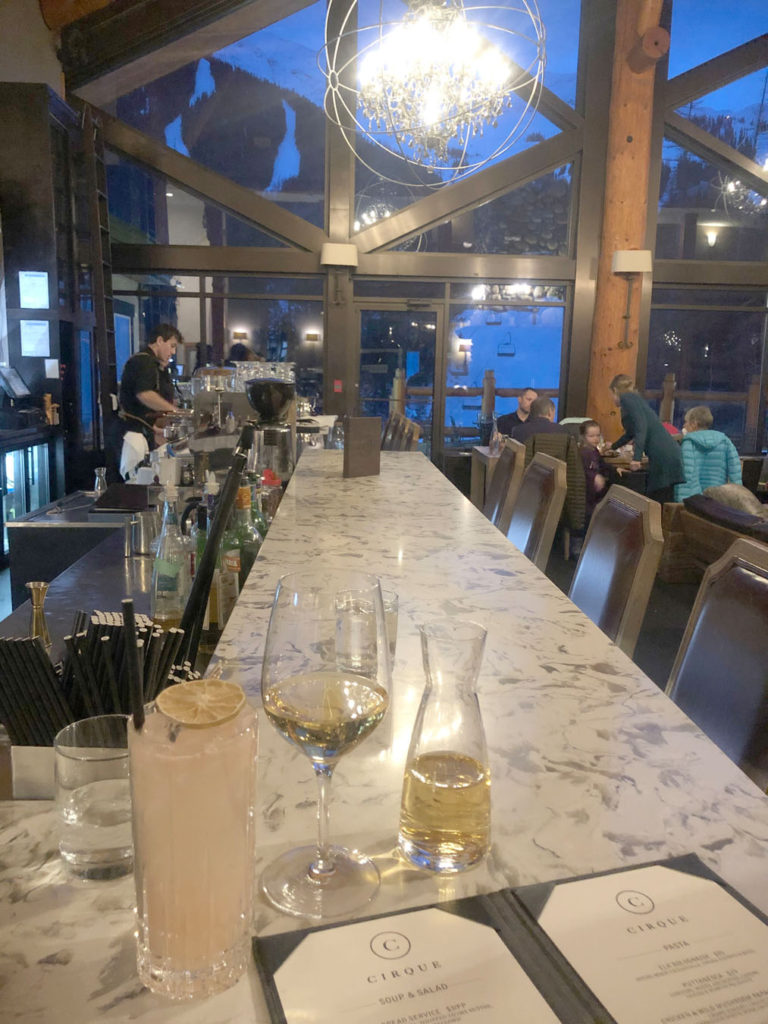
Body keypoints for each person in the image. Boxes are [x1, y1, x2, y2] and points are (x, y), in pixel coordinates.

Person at [118, 323, 182, 479]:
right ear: (159, 341)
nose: (173, 352)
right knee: (135, 480)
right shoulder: (143, 361)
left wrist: (155, 429)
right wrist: (175, 412)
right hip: (133, 435)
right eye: (172, 346)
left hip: (143, 431)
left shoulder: (153, 364)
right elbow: (145, 394)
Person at [609, 374, 684, 504]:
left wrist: (636, 458)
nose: (612, 399)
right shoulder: (636, 400)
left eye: (611, 395)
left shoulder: (627, 399)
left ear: (615, 390)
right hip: (669, 452)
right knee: (662, 498)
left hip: (661, 454)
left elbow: (641, 427)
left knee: (656, 500)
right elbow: (631, 433)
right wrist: (612, 447)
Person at [674, 405, 742, 501]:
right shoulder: (725, 441)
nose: (684, 426)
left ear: (694, 424)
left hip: (695, 500)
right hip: (718, 499)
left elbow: (686, 475)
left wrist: (681, 501)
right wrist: (737, 500)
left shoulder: (689, 443)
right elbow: (735, 474)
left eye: (686, 422)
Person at [579, 419, 609, 520]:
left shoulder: (594, 450)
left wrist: (617, 468)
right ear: (583, 437)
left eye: (598, 435)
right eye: (591, 436)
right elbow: (585, 471)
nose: (596, 439)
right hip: (589, 494)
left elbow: (603, 464)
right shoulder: (584, 453)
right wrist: (595, 477)